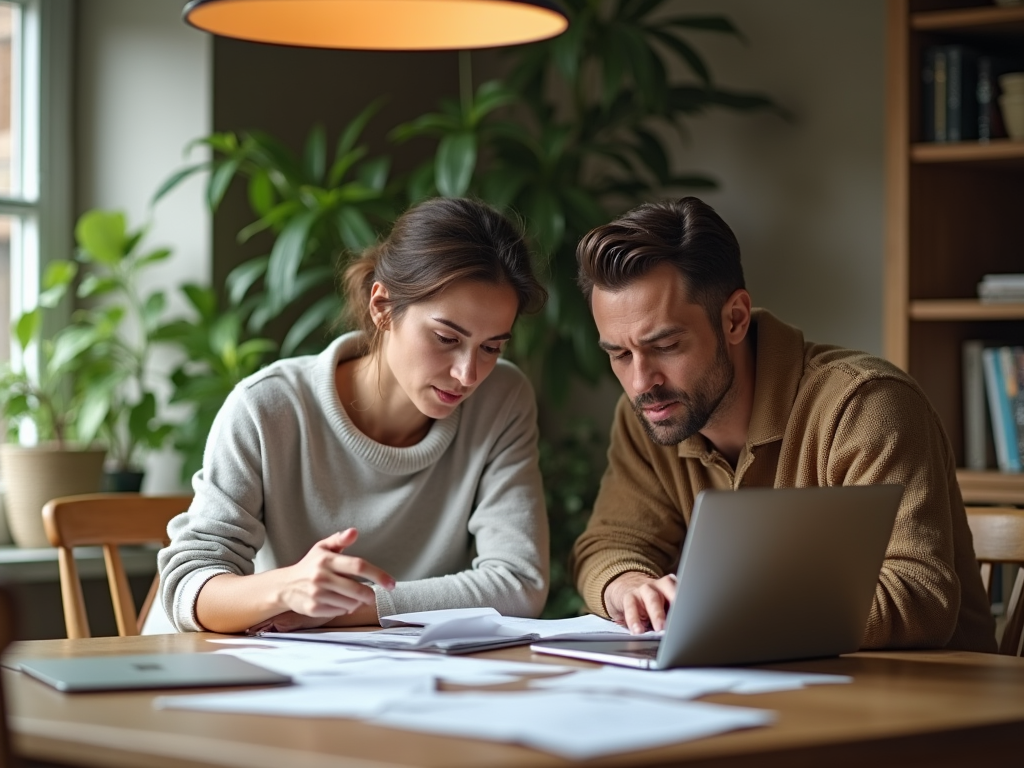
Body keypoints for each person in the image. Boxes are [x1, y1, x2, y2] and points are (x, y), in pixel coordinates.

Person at [570, 196, 997, 652]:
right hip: (762, 695)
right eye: (618, 354)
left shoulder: (866, 404)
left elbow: (920, 595)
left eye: (667, 345)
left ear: (734, 318)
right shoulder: (651, 417)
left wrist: (722, 612)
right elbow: (609, 545)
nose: (640, 382)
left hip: (924, 704)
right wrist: (627, 585)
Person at [159, 197, 550, 634]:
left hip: (404, 675)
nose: (468, 373)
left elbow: (519, 583)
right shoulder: (268, 407)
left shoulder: (501, 400)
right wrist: (286, 589)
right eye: (445, 337)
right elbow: (187, 586)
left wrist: (348, 607)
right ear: (382, 307)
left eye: (492, 347)